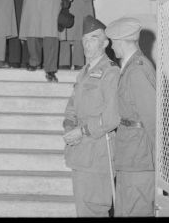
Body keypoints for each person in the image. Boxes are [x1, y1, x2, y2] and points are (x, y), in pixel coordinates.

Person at [62, 15, 120, 217]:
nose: (87, 44)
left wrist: (83, 130)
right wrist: (69, 126)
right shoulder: (84, 72)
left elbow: (113, 117)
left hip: (98, 155)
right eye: (85, 39)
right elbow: (72, 107)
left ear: (105, 43)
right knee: (83, 210)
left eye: (93, 38)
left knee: (94, 210)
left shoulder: (110, 72)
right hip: (79, 154)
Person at [105, 17, 157, 217]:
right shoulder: (130, 68)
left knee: (137, 210)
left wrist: (161, 161)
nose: (111, 46)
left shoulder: (137, 71)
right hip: (131, 156)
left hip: (140, 159)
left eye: (113, 42)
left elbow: (151, 119)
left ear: (122, 42)